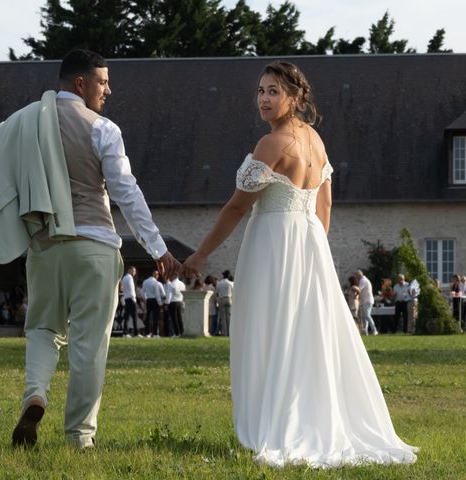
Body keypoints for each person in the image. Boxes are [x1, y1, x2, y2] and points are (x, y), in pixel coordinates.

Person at [181, 61, 416, 467]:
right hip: (308, 243)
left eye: (273, 91)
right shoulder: (316, 141)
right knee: (306, 333)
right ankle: (303, 415)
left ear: (295, 97)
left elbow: (237, 208)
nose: (264, 99)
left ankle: (276, 425)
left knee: (271, 329)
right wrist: (314, 253)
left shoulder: (272, 144)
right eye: (260, 91)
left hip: (273, 244)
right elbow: (324, 206)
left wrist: (200, 255)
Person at [0, 49, 181, 449]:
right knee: (89, 343)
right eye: (103, 82)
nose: (108, 90)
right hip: (95, 247)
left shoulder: (22, 124)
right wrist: (157, 246)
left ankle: (36, 392)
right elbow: (125, 192)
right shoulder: (102, 128)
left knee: (41, 328)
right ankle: (79, 437)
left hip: (46, 245)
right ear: (81, 83)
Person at [142, 270, 166, 338]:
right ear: (154, 274)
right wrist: (160, 303)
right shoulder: (157, 283)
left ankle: (147, 333)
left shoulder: (145, 281)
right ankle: (155, 333)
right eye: (157, 274)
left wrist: (145, 299)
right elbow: (160, 294)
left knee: (148, 317)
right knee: (155, 317)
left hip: (148, 300)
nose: (158, 276)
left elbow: (142, 292)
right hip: (155, 300)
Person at [356, 270, 378, 336]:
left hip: (367, 300)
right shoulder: (363, 280)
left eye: (356, 275)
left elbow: (359, 289)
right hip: (365, 300)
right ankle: (365, 331)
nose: (356, 277)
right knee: (365, 317)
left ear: (359, 275)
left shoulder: (363, 280)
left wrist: (352, 289)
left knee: (367, 316)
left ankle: (374, 330)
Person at [121, 266, 139, 337]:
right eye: (134, 271)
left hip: (126, 298)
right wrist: (134, 298)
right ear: (130, 270)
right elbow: (132, 289)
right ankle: (136, 333)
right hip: (131, 298)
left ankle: (125, 332)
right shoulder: (130, 278)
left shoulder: (124, 278)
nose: (135, 273)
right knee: (134, 316)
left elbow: (122, 288)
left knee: (127, 316)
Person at [216, 270, 234, 336]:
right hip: (229, 299)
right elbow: (233, 292)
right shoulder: (230, 283)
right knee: (228, 316)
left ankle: (224, 332)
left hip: (222, 299)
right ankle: (229, 332)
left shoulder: (219, 283)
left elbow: (217, 293)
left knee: (223, 317)